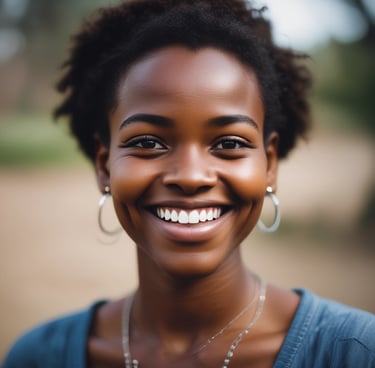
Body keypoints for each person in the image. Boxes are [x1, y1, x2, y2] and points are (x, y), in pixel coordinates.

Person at [3, 0, 375, 367]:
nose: (191, 177)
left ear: (269, 165)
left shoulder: (356, 353)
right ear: (105, 166)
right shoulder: (37, 358)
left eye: (229, 143)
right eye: (147, 143)